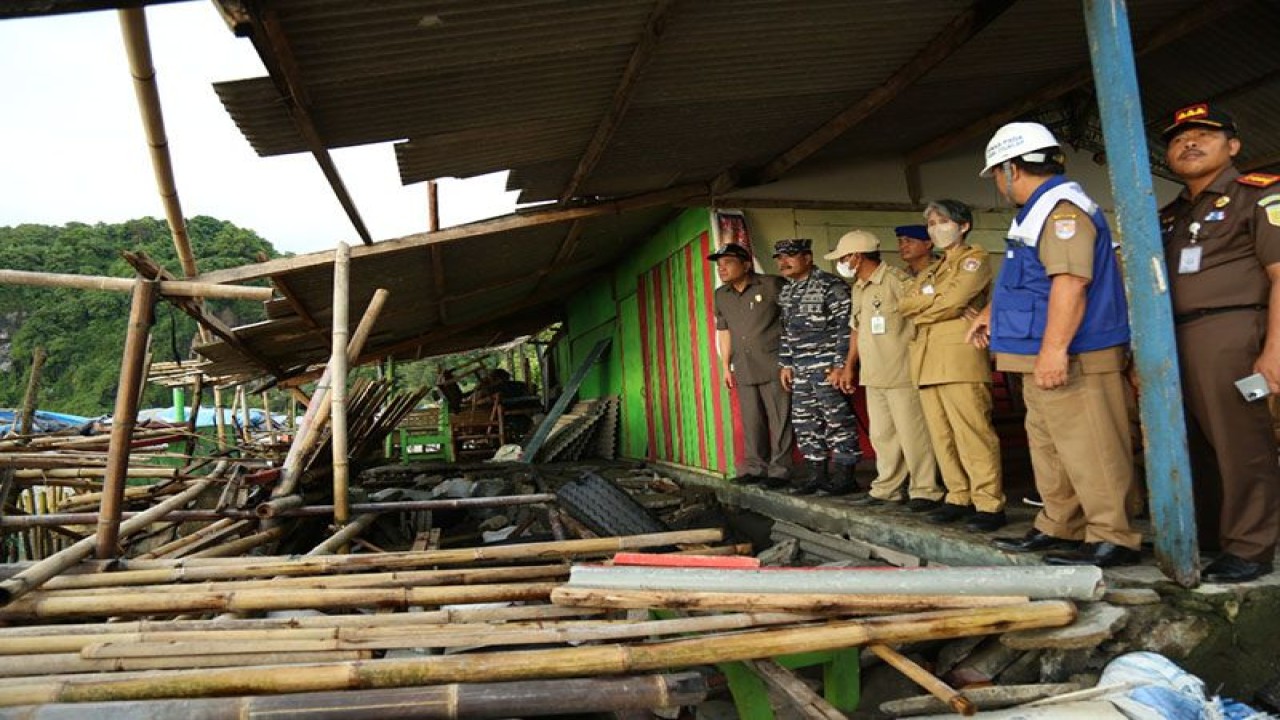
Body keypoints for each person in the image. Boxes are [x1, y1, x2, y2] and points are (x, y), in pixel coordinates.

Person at [967, 122, 1140, 567]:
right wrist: (991, 314)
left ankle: (1112, 535)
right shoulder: (1036, 211)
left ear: (1010, 169)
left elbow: (1070, 282)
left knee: (1091, 448)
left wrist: (1054, 350)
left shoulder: (1063, 211)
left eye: (997, 173)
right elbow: (1029, 280)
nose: (999, 183)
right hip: (1037, 353)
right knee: (1051, 448)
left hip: (1075, 354)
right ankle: (1061, 524)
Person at [1159, 102, 1280, 583]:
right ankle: (1211, 536)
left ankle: (1251, 546)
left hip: (1233, 332)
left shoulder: (1260, 195)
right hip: (1174, 339)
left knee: (1241, 444)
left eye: (1204, 134)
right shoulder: (1170, 214)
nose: (1188, 143)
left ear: (1233, 146)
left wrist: (1274, 351)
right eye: (1178, 138)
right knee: (1191, 444)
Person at [899, 199, 1006, 532]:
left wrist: (928, 308)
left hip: (960, 357)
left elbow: (956, 300)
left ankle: (988, 502)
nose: (936, 229)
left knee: (972, 432)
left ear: (963, 226)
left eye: (942, 222)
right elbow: (905, 304)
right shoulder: (932, 268)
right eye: (931, 224)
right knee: (942, 435)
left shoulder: (975, 259)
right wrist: (936, 304)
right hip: (927, 359)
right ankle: (958, 495)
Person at [829, 230, 942, 512]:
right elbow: (856, 329)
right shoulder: (859, 286)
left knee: (913, 435)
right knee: (882, 435)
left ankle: (925, 490)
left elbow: (923, 318)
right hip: (874, 373)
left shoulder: (896, 281)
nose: (841, 263)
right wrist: (849, 366)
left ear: (856, 257)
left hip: (902, 371)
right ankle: (887, 488)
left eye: (843, 258)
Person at [775, 237, 862, 495]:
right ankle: (816, 475)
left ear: (807, 258)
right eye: (779, 258)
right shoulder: (787, 291)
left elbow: (847, 328)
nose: (783, 262)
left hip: (827, 368)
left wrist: (841, 365)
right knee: (805, 422)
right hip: (801, 370)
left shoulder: (830, 286)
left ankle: (845, 476)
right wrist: (786, 363)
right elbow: (786, 331)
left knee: (837, 420)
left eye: (790, 256)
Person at [709, 242, 794, 488]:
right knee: (752, 420)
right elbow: (723, 331)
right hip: (743, 366)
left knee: (780, 419)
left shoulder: (772, 284)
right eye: (719, 264)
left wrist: (789, 361)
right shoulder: (721, 295)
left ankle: (780, 471)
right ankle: (756, 468)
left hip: (774, 363)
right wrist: (726, 366)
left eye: (728, 263)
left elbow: (792, 321)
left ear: (746, 265)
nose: (722, 268)